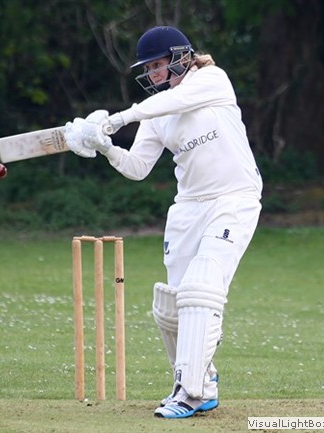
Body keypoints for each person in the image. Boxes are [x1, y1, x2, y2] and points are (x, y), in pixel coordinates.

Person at [65, 26, 262, 418]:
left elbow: (174, 101)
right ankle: (203, 383)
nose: (153, 73)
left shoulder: (212, 80)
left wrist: (114, 120)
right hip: (187, 207)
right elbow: (138, 167)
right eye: (148, 68)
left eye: (158, 64)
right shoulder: (156, 112)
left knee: (201, 288)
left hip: (233, 198)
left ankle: (188, 393)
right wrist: (106, 147)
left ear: (181, 57)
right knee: (172, 304)